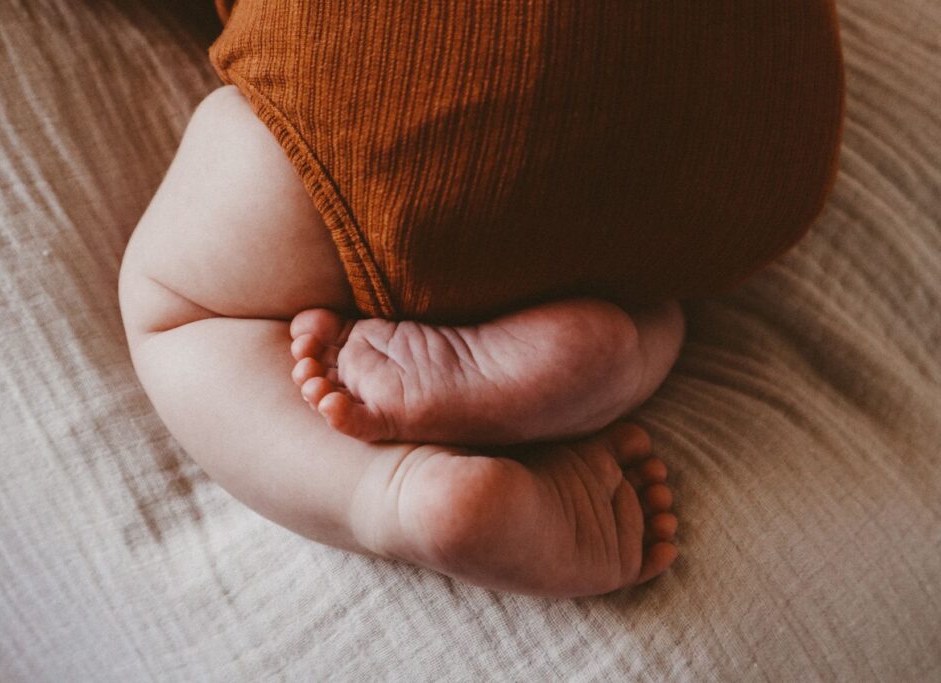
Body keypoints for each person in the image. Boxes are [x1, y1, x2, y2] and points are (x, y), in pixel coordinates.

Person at [118, 0, 843, 597]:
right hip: (756, 124)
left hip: (396, 81)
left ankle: (396, 493)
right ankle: (618, 343)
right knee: (662, 257)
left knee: (179, 310)